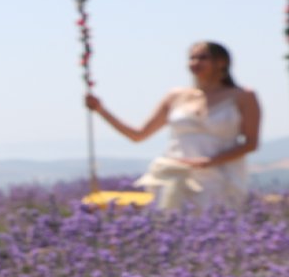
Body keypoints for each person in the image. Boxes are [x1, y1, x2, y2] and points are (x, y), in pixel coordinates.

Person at [85, 41, 261, 210]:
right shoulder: (175, 95)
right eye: (192, 58)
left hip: (221, 176)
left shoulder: (244, 96)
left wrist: (210, 161)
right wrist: (101, 110)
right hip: (174, 174)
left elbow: (251, 142)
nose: (195, 63)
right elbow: (138, 135)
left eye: (202, 57)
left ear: (222, 62)